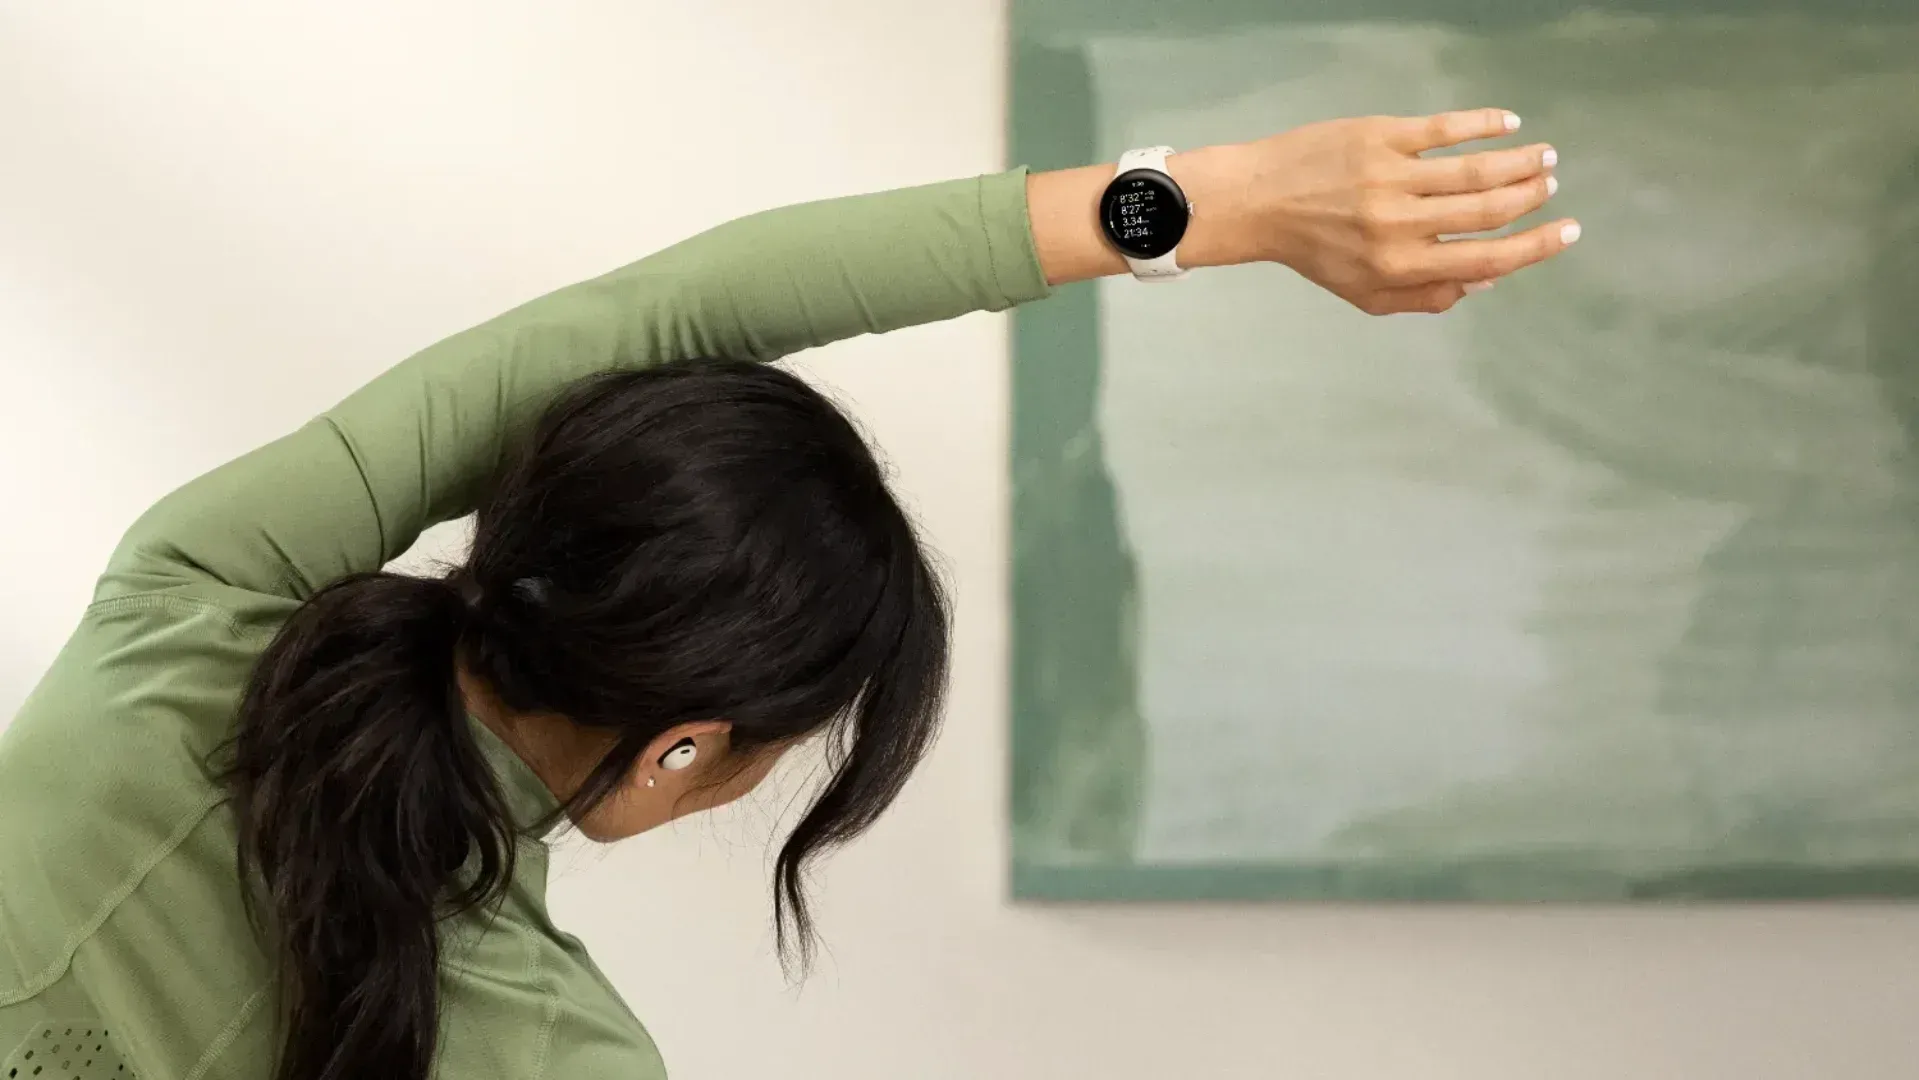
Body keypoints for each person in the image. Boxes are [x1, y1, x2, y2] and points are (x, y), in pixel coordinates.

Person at [0, 110, 1571, 1080]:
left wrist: (1198, 203)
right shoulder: (559, 1056)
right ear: (685, 745)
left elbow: (667, 309)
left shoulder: (187, 608)